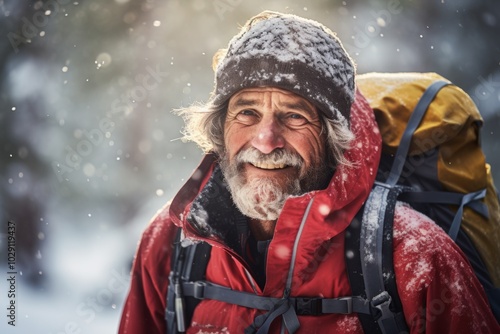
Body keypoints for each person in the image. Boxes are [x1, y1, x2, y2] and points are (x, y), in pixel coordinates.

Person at [118, 11, 500, 333]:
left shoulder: (413, 256)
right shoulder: (171, 242)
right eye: (247, 112)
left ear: (333, 137)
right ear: (219, 129)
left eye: (295, 116)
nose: (266, 142)